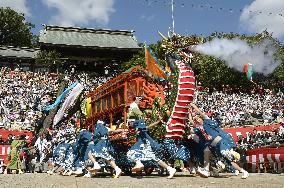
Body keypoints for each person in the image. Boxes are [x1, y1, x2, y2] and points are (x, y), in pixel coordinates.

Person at [190, 103, 249, 179]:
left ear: (201, 118)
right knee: (223, 158)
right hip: (214, 143)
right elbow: (191, 121)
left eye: (198, 118)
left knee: (223, 153)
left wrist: (192, 105)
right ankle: (243, 171)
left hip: (220, 139)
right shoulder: (200, 128)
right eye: (196, 119)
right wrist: (188, 112)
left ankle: (231, 154)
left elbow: (199, 111)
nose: (197, 119)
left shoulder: (207, 120)